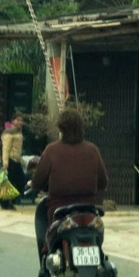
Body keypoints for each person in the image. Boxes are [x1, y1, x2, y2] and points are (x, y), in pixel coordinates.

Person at [29, 108, 108, 262]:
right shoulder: (93, 150)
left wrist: (32, 183)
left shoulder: (51, 150)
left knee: (45, 225)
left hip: (59, 209)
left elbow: (38, 182)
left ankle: (47, 252)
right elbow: (103, 183)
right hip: (89, 207)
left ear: (61, 129)